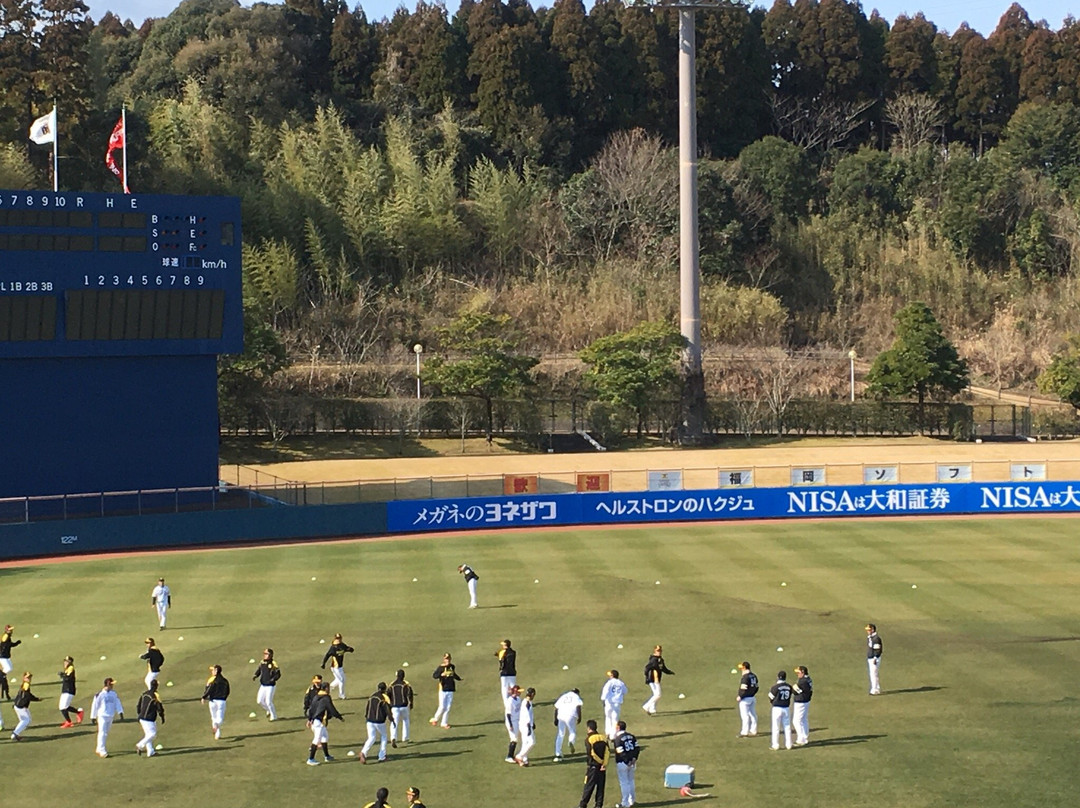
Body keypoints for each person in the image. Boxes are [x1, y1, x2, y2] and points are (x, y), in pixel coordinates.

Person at [306, 680, 344, 765]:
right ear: (326, 688)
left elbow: (311, 708)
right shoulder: (326, 698)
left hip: (316, 721)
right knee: (317, 739)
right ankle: (311, 759)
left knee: (324, 737)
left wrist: (309, 719)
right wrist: (339, 717)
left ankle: (327, 756)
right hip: (318, 722)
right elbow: (331, 708)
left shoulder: (316, 696)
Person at [90, 677, 124, 757]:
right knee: (102, 733)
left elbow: (117, 702)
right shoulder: (100, 695)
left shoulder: (113, 694)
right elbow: (95, 705)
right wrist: (93, 716)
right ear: (108, 684)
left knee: (105, 733)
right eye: (112, 684)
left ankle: (99, 748)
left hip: (110, 716)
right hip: (102, 716)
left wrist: (120, 712)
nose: (113, 686)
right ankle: (102, 751)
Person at [579, 718, 609, 808]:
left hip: (593, 766)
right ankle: (598, 805)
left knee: (589, 786)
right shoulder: (603, 737)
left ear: (589, 728)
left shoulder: (589, 739)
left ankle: (583, 805)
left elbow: (591, 753)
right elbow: (607, 752)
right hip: (602, 767)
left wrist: (598, 762)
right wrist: (604, 764)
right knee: (600, 787)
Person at [360, 682, 392, 764]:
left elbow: (367, 707)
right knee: (384, 736)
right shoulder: (383, 697)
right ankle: (382, 756)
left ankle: (363, 752)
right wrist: (391, 718)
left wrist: (366, 716)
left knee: (371, 738)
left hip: (369, 720)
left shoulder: (372, 696)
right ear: (384, 689)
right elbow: (387, 708)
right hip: (379, 721)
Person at [429, 652, 462, 729]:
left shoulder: (452, 666)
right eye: (446, 659)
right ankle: (435, 719)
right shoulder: (440, 667)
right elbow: (434, 676)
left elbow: (453, 674)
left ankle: (444, 723)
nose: (448, 660)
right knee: (442, 706)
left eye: (449, 658)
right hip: (443, 689)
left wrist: (459, 678)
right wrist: (441, 674)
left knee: (448, 707)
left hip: (450, 688)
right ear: (444, 659)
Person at [134, 679, 165, 757]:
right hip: (149, 718)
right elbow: (159, 707)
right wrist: (162, 716)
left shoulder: (144, 694)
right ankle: (140, 745)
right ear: (156, 686)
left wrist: (139, 714)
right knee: (152, 734)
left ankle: (150, 752)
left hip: (142, 717)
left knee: (148, 735)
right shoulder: (155, 695)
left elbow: (138, 705)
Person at [613, 720, 640, 808]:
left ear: (618, 728)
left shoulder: (617, 738)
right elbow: (637, 748)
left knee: (624, 782)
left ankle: (625, 803)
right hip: (632, 761)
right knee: (631, 781)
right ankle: (631, 800)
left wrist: (627, 761)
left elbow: (620, 751)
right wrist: (634, 758)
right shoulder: (632, 736)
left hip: (623, 763)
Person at [642, 645, 674, 715]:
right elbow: (647, 668)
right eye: (657, 650)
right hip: (653, 679)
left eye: (660, 650)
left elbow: (663, 668)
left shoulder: (660, 660)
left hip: (657, 679)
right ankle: (646, 706)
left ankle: (652, 709)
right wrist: (647, 676)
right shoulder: (653, 659)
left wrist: (669, 672)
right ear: (654, 651)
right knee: (658, 694)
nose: (659, 652)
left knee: (655, 694)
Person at [201, 664, 230, 740]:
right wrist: (224, 698)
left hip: (212, 701)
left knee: (213, 718)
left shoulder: (212, 680)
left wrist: (204, 697)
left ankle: (217, 733)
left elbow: (209, 690)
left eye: (213, 670)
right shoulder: (225, 681)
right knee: (219, 718)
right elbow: (228, 691)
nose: (212, 671)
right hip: (221, 701)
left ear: (217, 671)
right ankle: (217, 729)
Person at [554, 687, 583, 761]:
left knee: (560, 734)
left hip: (560, 715)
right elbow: (578, 707)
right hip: (570, 715)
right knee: (572, 731)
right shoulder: (576, 696)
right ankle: (571, 741)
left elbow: (556, 708)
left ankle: (558, 754)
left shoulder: (563, 696)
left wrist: (555, 719)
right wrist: (579, 717)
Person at [321, 633, 354, 700]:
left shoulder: (342, 645)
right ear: (335, 638)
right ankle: (341, 695)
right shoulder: (333, 647)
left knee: (341, 680)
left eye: (339, 638)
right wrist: (323, 663)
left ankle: (328, 688)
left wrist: (350, 649)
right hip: (335, 667)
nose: (338, 640)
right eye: (337, 638)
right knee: (341, 680)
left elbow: (346, 649)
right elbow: (327, 655)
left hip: (340, 667)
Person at [11, 672, 41, 741]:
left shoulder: (24, 685)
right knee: (26, 720)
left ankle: (16, 733)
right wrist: (36, 699)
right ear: (24, 678)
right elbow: (28, 696)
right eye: (27, 677)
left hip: (18, 705)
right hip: (20, 706)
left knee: (28, 720)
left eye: (30, 677)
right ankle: (15, 734)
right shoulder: (26, 685)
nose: (29, 679)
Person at [253, 648, 281, 721]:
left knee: (268, 701)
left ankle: (274, 716)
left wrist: (273, 679)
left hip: (270, 686)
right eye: (264, 654)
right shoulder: (262, 662)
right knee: (259, 701)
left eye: (266, 654)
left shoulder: (273, 663)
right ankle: (268, 710)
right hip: (263, 685)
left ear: (270, 655)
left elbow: (278, 674)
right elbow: (259, 670)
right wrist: (256, 675)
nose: (264, 655)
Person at [388, 669, 414, 747]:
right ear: (403, 676)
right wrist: (411, 703)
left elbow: (388, 694)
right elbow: (410, 694)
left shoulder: (392, 685)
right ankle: (405, 737)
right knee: (405, 720)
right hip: (404, 706)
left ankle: (393, 738)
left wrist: (389, 704)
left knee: (394, 722)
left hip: (394, 707)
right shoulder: (405, 684)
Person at [768, 670, 793, 751]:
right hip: (786, 708)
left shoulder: (775, 687)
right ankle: (789, 745)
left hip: (777, 708)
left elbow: (770, 697)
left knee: (775, 727)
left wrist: (773, 702)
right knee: (787, 727)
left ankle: (775, 745)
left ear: (778, 677)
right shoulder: (789, 686)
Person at [57, 656, 85, 728]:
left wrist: (62, 675)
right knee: (64, 706)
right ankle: (78, 713)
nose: (65, 663)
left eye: (67, 661)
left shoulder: (71, 668)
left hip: (69, 690)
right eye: (65, 661)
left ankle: (69, 722)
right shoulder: (67, 669)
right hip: (66, 690)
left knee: (63, 707)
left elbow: (68, 678)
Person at [601, 669, 628, 739]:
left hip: (609, 703)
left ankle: (608, 732)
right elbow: (625, 691)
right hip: (617, 703)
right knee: (615, 720)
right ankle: (613, 735)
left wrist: (603, 700)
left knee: (608, 717)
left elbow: (605, 691)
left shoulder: (609, 682)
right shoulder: (621, 683)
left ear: (612, 676)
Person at [735, 660, 759, 738]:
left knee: (745, 716)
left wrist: (740, 696)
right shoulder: (754, 676)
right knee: (753, 714)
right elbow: (757, 687)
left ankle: (744, 732)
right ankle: (753, 730)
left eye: (742, 668)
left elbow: (743, 688)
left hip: (745, 699)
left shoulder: (745, 677)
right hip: (752, 697)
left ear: (745, 668)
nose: (741, 670)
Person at [792, 665, 813, 746]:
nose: (797, 674)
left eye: (799, 672)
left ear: (803, 672)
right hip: (806, 701)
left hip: (801, 702)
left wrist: (794, 687)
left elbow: (795, 691)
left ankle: (801, 739)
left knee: (796, 721)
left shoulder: (802, 681)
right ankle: (805, 737)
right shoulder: (808, 679)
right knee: (803, 719)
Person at [515, 687, 536, 766]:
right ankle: (520, 756)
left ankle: (524, 760)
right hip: (526, 725)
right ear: (532, 694)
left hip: (523, 724)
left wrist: (532, 723)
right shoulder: (527, 703)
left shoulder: (526, 701)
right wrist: (529, 726)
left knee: (525, 742)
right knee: (532, 742)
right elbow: (527, 715)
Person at [0, 625, 20, 700]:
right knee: (7, 668)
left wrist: (16, 643)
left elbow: (9, 644)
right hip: (2, 656)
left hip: (6, 656)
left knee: (10, 668)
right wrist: (15, 643)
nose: (11, 631)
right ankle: (2, 675)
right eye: (10, 630)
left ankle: (2, 675)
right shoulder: (6, 636)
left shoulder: (7, 636)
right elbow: (7, 644)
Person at [496, 639, 517, 709]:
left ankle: (507, 704)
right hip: (512, 673)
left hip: (504, 673)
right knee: (513, 688)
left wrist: (499, 657)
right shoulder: (513, 652)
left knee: (504, 689)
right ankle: (515, 702)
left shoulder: (502, 652)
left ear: (505, 646)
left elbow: (502, 663)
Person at [503, 684, 522, 763]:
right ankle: (509, 756)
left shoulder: (518, 699)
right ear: (515, 691)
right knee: (514, 738)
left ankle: (512, 755)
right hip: (511, 721)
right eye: (519, 691)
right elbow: (508, 714)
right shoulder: (509, 701)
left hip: (517, 720)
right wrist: (510, 725)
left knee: (516, 738)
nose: (520, 693)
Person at [865, 623, 883, 695]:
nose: (868, 631)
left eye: (869, 630)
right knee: (873, 674)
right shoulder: (871, 637)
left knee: (873, 674)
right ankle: (876, 688)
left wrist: (875, 657)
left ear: (872, 630)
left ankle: (874, 689)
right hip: (871, 658)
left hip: (874, 659)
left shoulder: (876, 639)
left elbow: (877, 649)